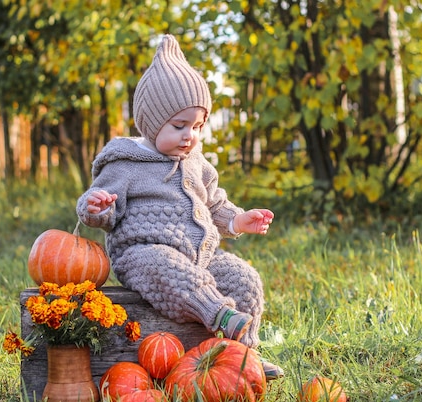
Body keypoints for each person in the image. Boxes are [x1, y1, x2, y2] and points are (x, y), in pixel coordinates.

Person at [76, 34, 283, 380]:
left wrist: (238, 220)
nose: (190, 135)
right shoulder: (127, 162)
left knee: (243, 277)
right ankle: (219, 315)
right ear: (153, 122)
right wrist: (97, 207)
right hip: (142, 255)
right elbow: (96, 208)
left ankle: (244, 355)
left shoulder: (197, 163)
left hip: (198, 258)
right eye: (179, 126)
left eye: (198, 126)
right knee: (166, 264)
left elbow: (215, 203)